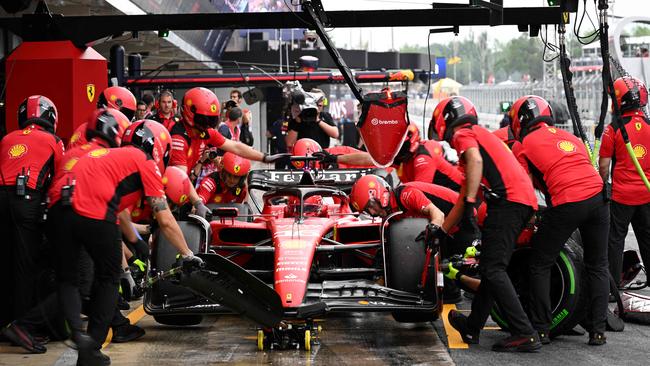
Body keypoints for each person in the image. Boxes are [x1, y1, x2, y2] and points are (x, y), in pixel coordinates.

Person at [47, 120, 202, 365]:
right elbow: (164, 217)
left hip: (58, 208)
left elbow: (119, 211)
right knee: (109, 278)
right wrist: (187, 253)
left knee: (68, 279)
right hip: (93, 211)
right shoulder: (144, 161)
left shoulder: (105, 155)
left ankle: (78, 334)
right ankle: (92, 348)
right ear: (159, 148)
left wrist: (136, 241)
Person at [432, 96, 541, 352]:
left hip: (509, 204)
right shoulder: (480, 136)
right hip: (520, 203)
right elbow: (463, 198)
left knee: (493, 270)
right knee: (492, 268)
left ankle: (525, 333)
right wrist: (442, 231)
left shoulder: (464, 134)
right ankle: (472, 326)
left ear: (445, 121)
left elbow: (471, 182)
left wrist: (469, 201)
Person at [510, 95, 609, 346]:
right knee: (597, 265)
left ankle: (541, 328)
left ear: (520, 121)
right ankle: (597, 331)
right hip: (599, 198)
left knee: (540, 262)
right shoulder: (571, 137)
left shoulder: (522, 145)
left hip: (568, 201)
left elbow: (523, 186)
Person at [168, 87, 288, 218]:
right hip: (168, 191)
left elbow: (236, 147)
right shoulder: (178, 138)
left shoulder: (205, 132)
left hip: (184, 189)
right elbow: (181, 177)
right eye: (204, 119)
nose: (208, 124)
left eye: (211, 120)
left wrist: (264, 157)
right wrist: (198, 203)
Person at [0, 95, 63, 329]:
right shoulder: (53, 140)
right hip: (26, 199)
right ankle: (23, 327)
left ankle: (3, 321)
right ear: (51, 117)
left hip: (2, 198)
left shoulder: (6, 139)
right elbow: (59, 180)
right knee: (25, 266)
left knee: (4, 261)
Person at [599, 76, 650, 289]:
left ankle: (613, 288)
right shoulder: (649, 125)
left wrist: (603, 187)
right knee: (647, 239)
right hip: (647, 194)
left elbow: (603, 165)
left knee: (615, 240)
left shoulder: (614, 128)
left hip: (621, 196)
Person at [316, 123, 464, 190]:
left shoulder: (422, 159)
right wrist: (335, 158)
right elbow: (368, 159)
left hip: (460, 201)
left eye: (398, 145)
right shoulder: (403, 158)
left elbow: (419, 194)